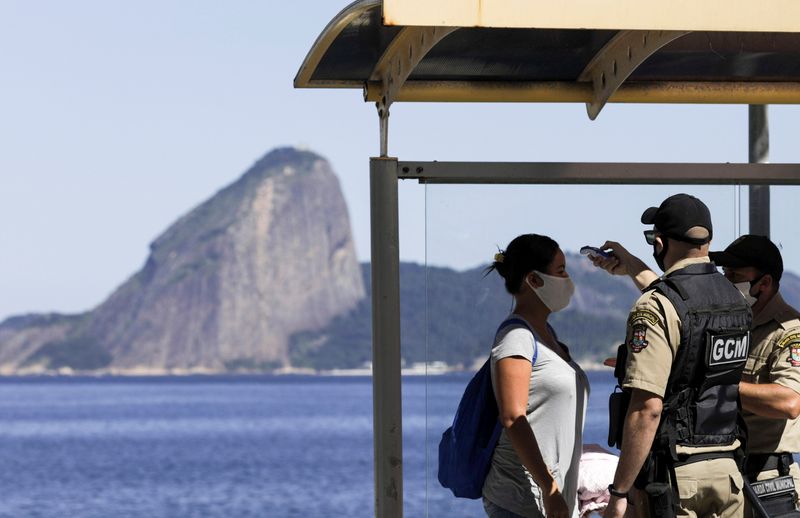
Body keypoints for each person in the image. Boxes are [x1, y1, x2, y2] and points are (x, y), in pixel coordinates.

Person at [589, 193, 752, 518]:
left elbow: (647, 410)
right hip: (728, 471)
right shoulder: (735, 299)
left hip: (677, 478)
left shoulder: (656, 307)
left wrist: (619, 492)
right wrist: (632, 266)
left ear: (660, 243)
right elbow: (683, 302)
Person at [483, 233, 589, 518]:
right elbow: (512, 417)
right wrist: (548, 487)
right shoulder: (516, 337)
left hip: (549, 496)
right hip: (522, 498)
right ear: (534, 280)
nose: (567, 279)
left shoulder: (547, 335)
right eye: (560, 271)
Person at [710, 235, 800, 511]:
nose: (727, 281)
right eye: (724, 273)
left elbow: (789, 402)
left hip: (770, 480)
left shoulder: (790, 331)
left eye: (735, 275)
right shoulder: (731, 324)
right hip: (727, 475)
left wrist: (719, 386)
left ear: (764, 283)